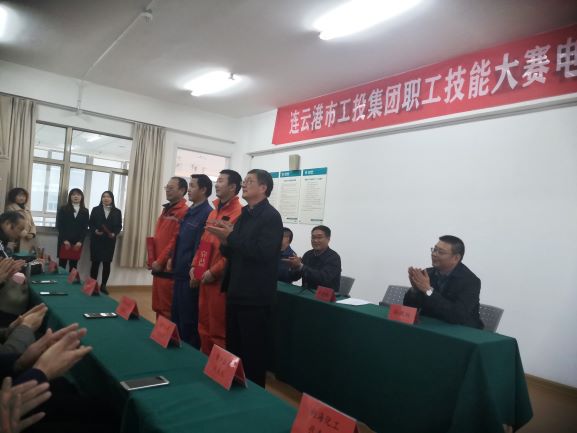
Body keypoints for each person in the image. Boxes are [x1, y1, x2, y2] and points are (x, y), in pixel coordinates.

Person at [206, 169, 282, 387]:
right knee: (234, 348)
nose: (244, 185)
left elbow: (263, 253)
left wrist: (231, 237)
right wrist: (225, 240)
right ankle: (234, 387)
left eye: (249, 181)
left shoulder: (271, 217)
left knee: (253, 353)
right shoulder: (244, 214)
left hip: (255, 296)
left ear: (263, 188)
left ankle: (253, 395)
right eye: (244, 181)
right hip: (236, 290)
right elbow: (232, 252)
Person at [190, 169, 242, 355]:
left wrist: (214, 272)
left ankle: (218, 368)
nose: (217, 184)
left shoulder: (239, 213)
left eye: (221, 181)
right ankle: (205, 363)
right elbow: (204, 242)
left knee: (218, 330)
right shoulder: (213, 212)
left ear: (233, 187)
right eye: (217, 180)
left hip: (220, 281)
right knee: (203, 325)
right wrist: (195, 266)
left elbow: (233, 251)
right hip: (204, 276)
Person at [403, 235, 483, 329]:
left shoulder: (471, 281)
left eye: (440, 252)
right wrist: (415, 290)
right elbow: (409, 308)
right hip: (431, 326)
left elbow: (457, 316)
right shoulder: (428, 273)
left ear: (456, 258)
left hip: (461, 330)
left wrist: (428, 291)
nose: (434, 254)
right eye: (434, 250)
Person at [170, 175, 212, 348]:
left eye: (193, 186)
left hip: (190, 275)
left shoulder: (206, 213)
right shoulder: (189, 211)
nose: (189, 189)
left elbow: (202, 247)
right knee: (176, 316)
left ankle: (188, 356)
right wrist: (172, 258)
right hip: (179, 271)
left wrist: (197, 272)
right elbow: (179, 239)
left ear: (203, 190)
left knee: (189, 321)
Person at [150, 177, 189, 319]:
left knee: (166, 307)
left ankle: (166, 333)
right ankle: (159, 332)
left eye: (171, 188)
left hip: (167, 267)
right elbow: (159, 236)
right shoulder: (166, 209)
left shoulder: (183, 211)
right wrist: (152, 259)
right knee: (157, 305)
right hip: (158, 265)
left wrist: (160, 261)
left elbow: (175, 240)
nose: (167, 190)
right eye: (167, 187)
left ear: (182, 190)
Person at [286, 225, 342, 293]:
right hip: (306, 293)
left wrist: (301, 266)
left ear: (328, 239)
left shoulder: (334, 258)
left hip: (325, 296)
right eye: (313, 237)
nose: (315, 240)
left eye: (319, 237)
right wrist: (294, 268)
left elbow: (323, 279)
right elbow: (294, 278)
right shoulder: (308, 254)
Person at [88, 191, 122, 295]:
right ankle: (93, 285)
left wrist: (114, 233)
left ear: (112, 199)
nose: (106, 198)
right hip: (96, 240)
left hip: (109, 241)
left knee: (107, 264)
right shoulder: (95, 209)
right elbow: (90, 223)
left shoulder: (117, 211)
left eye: (108, 197)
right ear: (101, 198)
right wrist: (95, 231)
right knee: (95, 263)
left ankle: (103, 285)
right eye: (104, 196)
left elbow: (119, 226)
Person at [56, 189, 89, 272]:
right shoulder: (63, 209)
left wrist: (80, 241)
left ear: (81, 197)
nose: (76, 196)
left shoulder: (85, 211)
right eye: (73, 194)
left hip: (77, 243)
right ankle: (61, 281)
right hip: (64, 241)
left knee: (73, 266)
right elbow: (60, 226)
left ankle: (71, 281)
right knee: (62, 265)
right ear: (70, 197)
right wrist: (64, 240)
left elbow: (84, 228)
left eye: (78, 195)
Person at [5, 188, 36, 254]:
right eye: (19, 196)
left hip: (27, 239)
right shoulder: (10, 208)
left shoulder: (27, 209)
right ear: (13, 197)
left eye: (24, 196)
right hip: (16, 238)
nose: (22, 198)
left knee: (26, 256)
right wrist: (24, 233)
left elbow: (32, 223)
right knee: (15, 256)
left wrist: (32, 233)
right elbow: (11, 224)